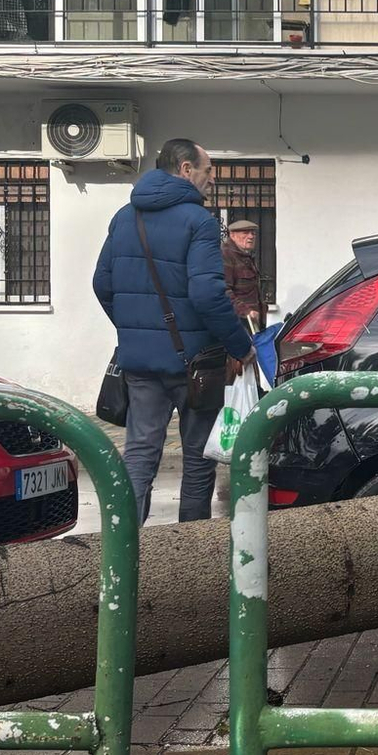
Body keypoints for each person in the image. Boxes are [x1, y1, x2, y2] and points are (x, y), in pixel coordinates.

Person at [93, 138, 254, 524]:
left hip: (141, 364)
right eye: (208, 170)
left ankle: (123, 548)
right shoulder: (198, 221)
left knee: (140, 452)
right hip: (196, 362)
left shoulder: (123, 216)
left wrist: (135, 329)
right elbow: (206, 293)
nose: (212, 179)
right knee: (198, 457)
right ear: (186, 170)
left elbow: (102, 283)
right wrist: (240, 344)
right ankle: (191, 555)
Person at [221, 217, 265, 336]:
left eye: (253, 233)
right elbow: (223, 289)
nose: (251, 236)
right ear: (232, 235)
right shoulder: (226, 255)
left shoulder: (245, 256)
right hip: (237, 323)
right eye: (245, 233)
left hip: (251, 323)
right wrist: (245, 311)